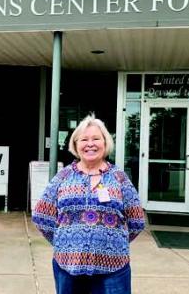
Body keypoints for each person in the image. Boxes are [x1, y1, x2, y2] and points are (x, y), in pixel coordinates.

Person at [32, 114, 145, 294]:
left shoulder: (119, 178)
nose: (90, 144)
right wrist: (65, 241)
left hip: (113, 268)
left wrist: (114, 241)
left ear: (105, 143)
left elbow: (137, 221)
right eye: (84, 139)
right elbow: (41, 216)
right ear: (76, 145)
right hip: (68, 266)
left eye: (96, 139)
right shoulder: (64, 176)